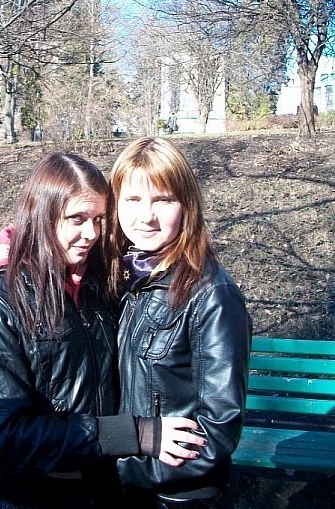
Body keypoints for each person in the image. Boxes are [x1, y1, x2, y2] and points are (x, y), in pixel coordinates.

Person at [0, 152, 206, 509]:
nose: (91, 234)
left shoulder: (97, 285)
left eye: (99, 219)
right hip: (30, 496)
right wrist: (135, 434)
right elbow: (6, 437)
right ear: (41, 215)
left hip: (101, 489)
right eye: (77, 219)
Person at [105, 137, 252, 509]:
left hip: (173, 494)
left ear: (187, 205)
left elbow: (217, 429)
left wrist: (120, 468)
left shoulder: (211, 295)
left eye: (163, 200)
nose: (146, 216)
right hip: (123, 488)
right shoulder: (125, 278)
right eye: (132, 199)